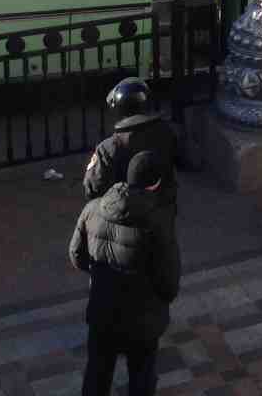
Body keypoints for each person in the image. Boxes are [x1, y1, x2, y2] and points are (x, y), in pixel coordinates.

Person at [70, 151, 181, 396]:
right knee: (141, 378)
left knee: (97, 375)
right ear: (157, 183)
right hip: (142, 321)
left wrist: (101, 277)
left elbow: (76, 256)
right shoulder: (158, 224)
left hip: (102, 312)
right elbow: (169, 283)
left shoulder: (92, 208)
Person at [84, 78, 179, 219]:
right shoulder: (167, 132)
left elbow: (92, 188)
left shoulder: (109, 148)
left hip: (122, 218)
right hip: (160, 214)